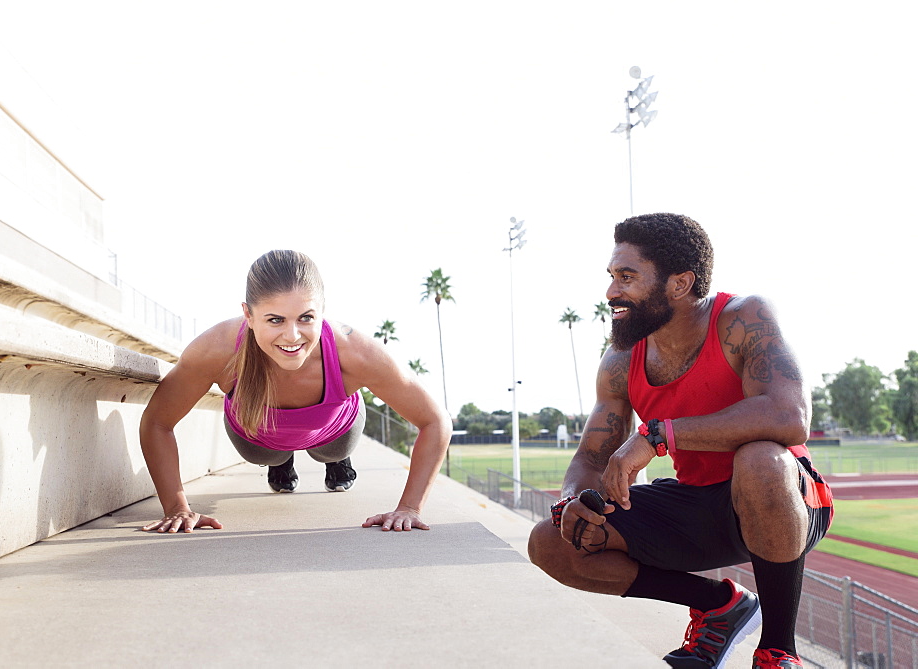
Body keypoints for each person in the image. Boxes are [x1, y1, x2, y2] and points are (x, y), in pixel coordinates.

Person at [527, 214, 833, 669]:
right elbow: (592, 456)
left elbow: (789, 417)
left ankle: (778, 651)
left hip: (784, 498)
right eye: (612, 277)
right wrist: (572, 501)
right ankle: (718, 604)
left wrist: (658, 434)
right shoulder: (620, 359)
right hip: (698, 504)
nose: (612, 292)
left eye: (627, 277)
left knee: (760, 459)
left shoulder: (743, 318)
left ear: (680, 283)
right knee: (552, 542)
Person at [139, 249, 452, 535]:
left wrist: (409, 508)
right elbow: (157, 422)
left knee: (331, 450)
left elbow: (435, 421)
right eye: (275, 320)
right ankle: (281, 462)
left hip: (335, 430)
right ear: (248, 315)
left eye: (306, 318)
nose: (293, 336)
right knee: (266, 454)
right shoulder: (215, 350)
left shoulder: (357, 353)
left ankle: (337, 462)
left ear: (322, 311)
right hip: (257, 437)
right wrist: (177, 508)